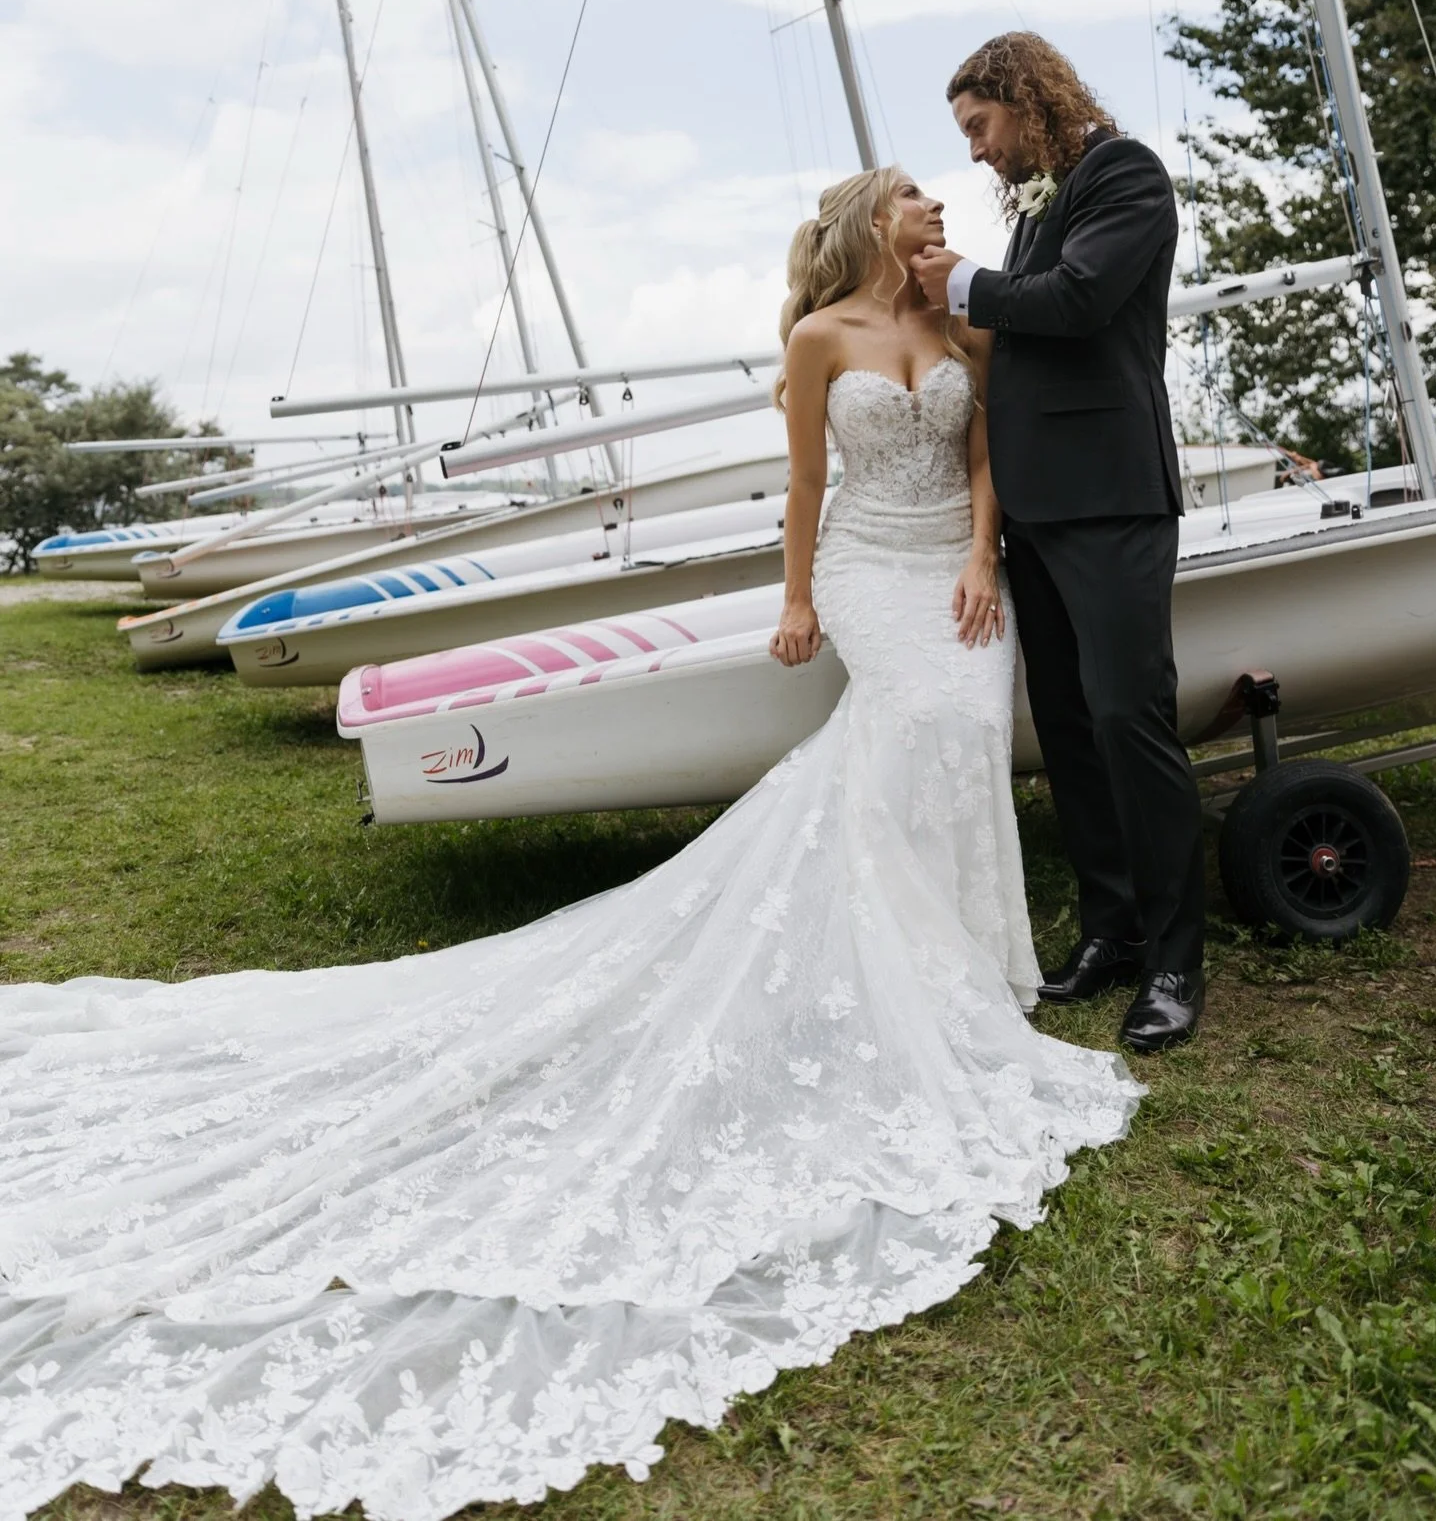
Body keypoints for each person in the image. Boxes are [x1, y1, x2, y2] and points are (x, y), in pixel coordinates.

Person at [0, 168, 1142, 1521]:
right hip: (858, 576)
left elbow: (982, 452)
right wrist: (793, 601)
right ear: (862, 226)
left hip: (952, 570)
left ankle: (962, 956)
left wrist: (978, 554)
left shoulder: (964, 319)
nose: (936, 212)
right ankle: (909, 973)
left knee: (956, 744)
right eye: (913, 199)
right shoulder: (820, 336)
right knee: (902, 737)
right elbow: (804, 482)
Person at [911, 31, 1208, 1053]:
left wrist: (964, 286)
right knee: (1073, 730)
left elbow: (1080, 305)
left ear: (1026, 99)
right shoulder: (1036, 206)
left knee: (1133, 718)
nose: (980, 152)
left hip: (1114, 500)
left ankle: (1175, 959)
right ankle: (1112, 927)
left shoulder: (1124, 175)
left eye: (981, 127)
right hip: (1037, 511)